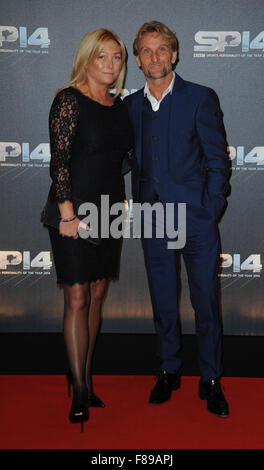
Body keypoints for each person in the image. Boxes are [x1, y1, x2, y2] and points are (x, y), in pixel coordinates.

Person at [124, 21, 230, 417]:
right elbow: (122, 156)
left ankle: (212, 378)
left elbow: (218, 159)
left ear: (174, 54)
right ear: (137, 59)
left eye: (162, 49)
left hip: (196, 218)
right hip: (153, 216)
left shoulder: (200, 98)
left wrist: (211, 207)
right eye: (146, 51)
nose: (155, 57)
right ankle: (169, 370)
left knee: (206, 303)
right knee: (164, 302)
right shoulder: (129, 106)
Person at [46, 28, 133, 430]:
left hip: (108, 212)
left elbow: (124, 159)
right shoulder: (68, 100)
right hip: (73, 212)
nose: (111, 65)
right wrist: (67, 213)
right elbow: (59, 160)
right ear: (87, 58)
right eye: (102, 57)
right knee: (77, 297)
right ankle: (79, 389)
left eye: (117, 58)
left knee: (97, 294)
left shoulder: (119, 107)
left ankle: (84, 374)